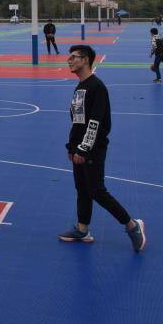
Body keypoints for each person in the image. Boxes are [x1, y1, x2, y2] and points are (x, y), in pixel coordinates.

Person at [59, 45, 147, 252]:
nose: (69, 61)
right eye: (69, 57)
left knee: (97, 191)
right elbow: (77, 121)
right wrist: (72, 147)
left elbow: (95, 123)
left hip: (93, 149)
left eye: (74, 57)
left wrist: (83, 149)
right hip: (79, 148)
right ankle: (82, 229)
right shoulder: (80, 87)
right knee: (82, 189)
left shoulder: (96, 87)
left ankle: (132, 226)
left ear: (86, 60)